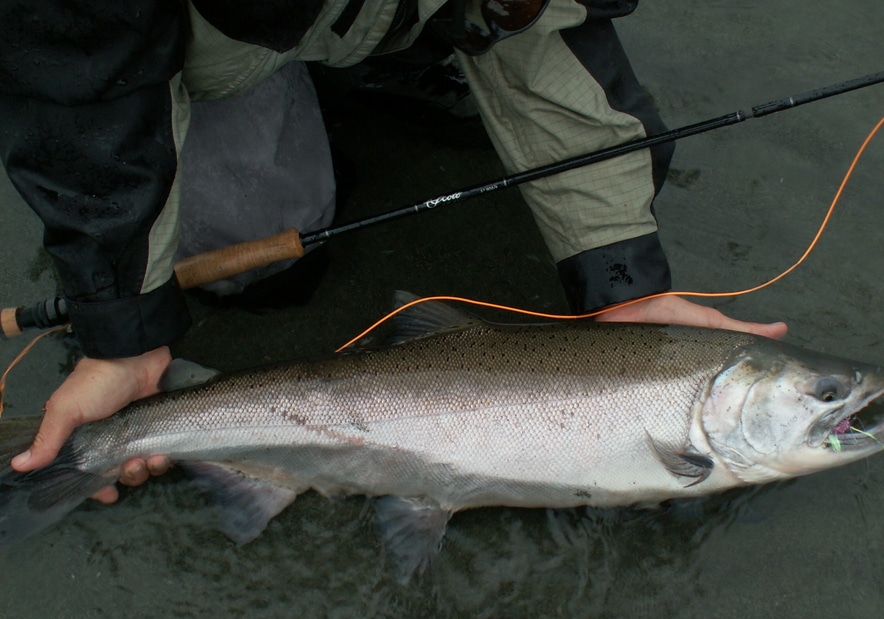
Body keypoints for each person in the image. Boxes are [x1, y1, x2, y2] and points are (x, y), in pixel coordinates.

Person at [0, 0, 786, 502]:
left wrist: (621, 281)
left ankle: (387, 49)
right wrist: (121, 333)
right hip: (163, 37)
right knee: (251, 246)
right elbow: (77, 79)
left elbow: (560, 45)